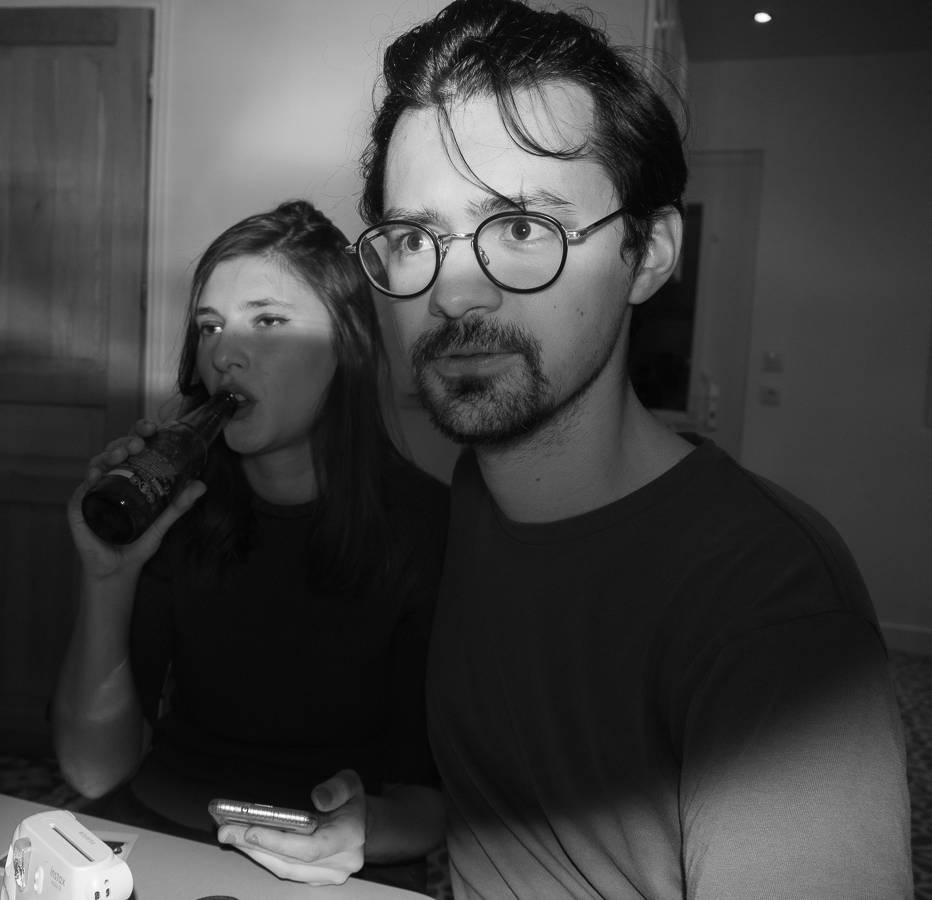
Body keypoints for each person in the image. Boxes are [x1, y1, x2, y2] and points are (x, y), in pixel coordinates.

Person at [336, 1, 913, 897]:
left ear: (647, 254)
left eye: (521, 227)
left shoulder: (773, 609)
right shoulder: (479, 495)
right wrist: (376, 829)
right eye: (416, 238)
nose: (453, 295)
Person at [52, 199, 448, 888]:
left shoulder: (426, 525)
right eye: (210, 327)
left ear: (348, 346)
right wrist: (107, 578)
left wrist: (356, 832)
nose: (222, 353)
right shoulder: (178, 507)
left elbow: (428, 806)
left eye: (267, 321)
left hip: (338, 870)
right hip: (164, 835)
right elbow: (93, 771)